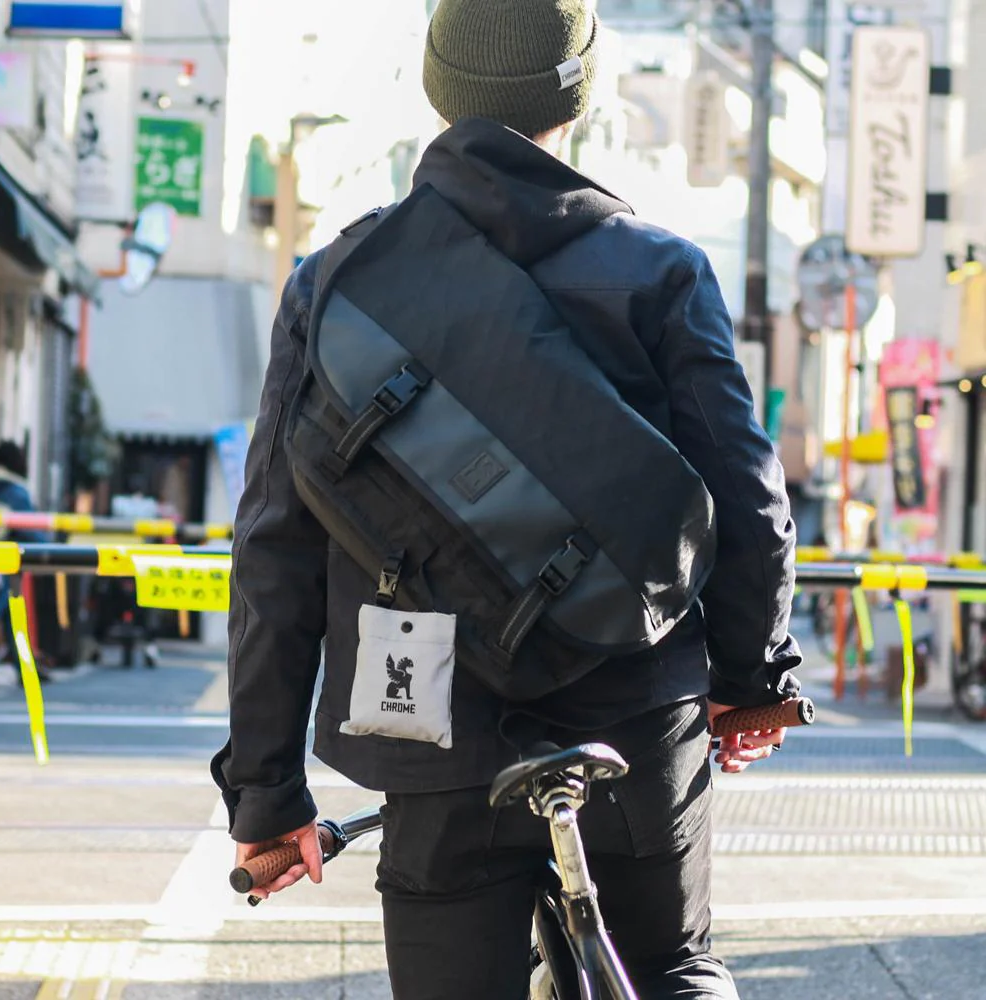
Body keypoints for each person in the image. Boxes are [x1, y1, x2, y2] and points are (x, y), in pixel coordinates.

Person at [212, 2, 802, 996]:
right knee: (665, 966)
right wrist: (751, 678)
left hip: (430, 713)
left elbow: (275, 549)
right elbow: (746, 495)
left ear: (440, 87)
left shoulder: (335, 285)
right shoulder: (660, 271)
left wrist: (268, 796)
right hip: (632, 707)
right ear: (578, 91)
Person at [0, 441, 50, 683]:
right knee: (5, 611)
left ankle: (23, 665)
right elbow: (36, 535)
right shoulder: (17, 492)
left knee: (11, 615)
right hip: (1, 565)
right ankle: (24, 666)